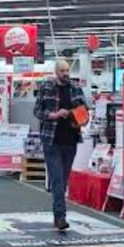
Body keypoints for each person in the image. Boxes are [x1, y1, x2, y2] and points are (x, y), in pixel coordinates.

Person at [34, 59, 87, 232]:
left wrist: (72, 113)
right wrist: (54, 115)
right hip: (52, 140)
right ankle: (60, 217)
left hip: (71, 140)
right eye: (62, 71)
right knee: (57, 179)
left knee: (63, 181)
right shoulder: (46, 87)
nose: (65, 73)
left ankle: (59, 211)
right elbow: (37, 111)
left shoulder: (75, 88)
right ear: (56, 72)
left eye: (67, 70)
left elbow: (84, 110)